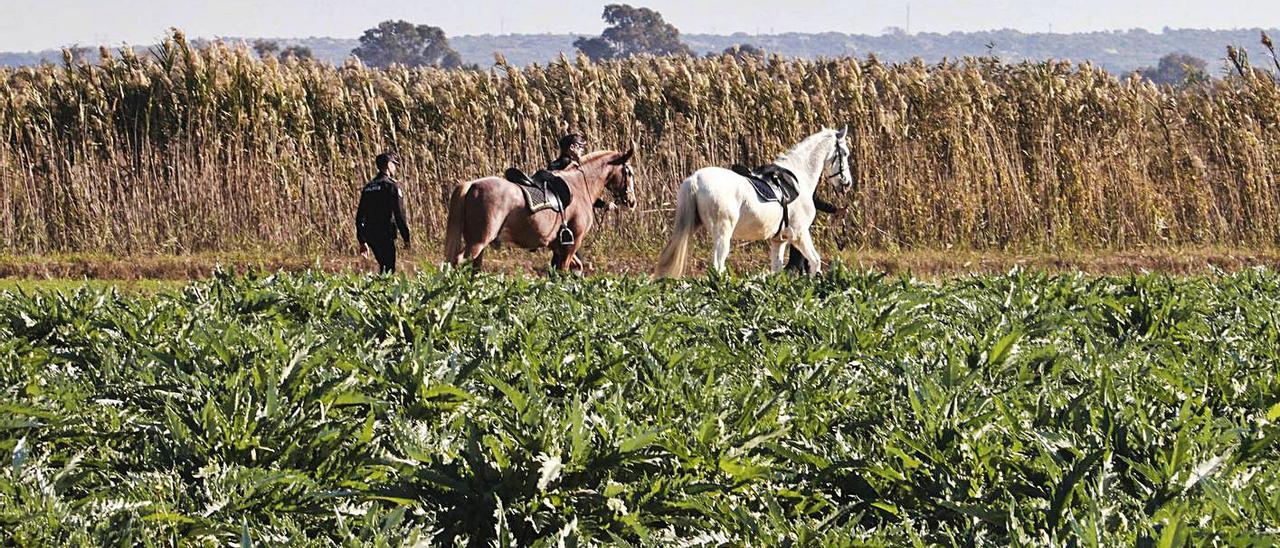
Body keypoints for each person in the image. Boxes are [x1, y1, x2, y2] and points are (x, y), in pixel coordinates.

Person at [355, 152, 410, 273]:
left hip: (371, 235)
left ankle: (380, 289)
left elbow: (359, 216)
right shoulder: (392, 186)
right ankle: (384, 290)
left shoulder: (368, 187)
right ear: (388, 165)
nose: (395, 168)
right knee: (389, 269)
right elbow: (399, 214)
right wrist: (406, 237)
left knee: (383, 266)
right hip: (386, 234)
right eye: (394, 164)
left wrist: (362, 240)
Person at [784, 196, 843, 273]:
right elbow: (813, 199)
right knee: (798, 264)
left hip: (802, 224)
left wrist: (835, 210)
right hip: (800, 225)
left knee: (805, 264)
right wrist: (834, 210)